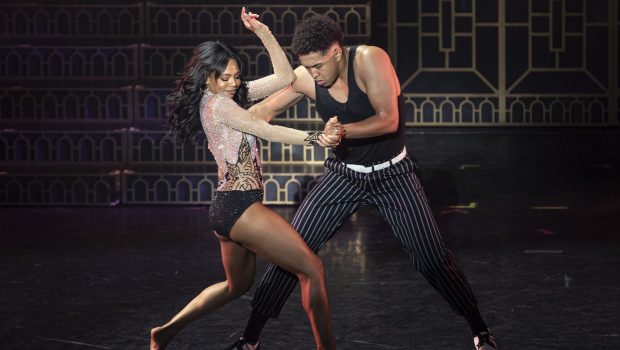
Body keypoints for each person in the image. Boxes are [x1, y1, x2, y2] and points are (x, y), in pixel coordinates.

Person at [227, 14, 500, 350]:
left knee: (431, 258)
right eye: (306, 67)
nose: (312, 75)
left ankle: (480, 329)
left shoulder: (370, 59)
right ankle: (249, 338)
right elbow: (262, 113)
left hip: (393, 175)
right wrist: (224, 121)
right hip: (344, 176)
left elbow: (388, 120)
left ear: (336, 53)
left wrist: (336, 133)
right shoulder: (305, 76)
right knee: (292, 254)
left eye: (317, 66)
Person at [149, 8, 340, 350]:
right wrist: (315, 139)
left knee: (234, 287)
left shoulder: (228, 97)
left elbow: (285, 77)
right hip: (239, 207)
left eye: (237, 76)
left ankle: (163, 333)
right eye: (226, 77)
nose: (234, 83)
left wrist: (263, 33)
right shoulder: (220, 106)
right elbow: (262, 128)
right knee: (312, 269)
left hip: (226, 209)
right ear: (208, 77)